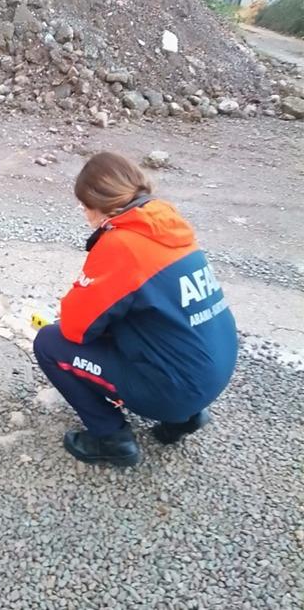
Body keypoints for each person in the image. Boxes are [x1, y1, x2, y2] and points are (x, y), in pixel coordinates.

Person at [34, 152, 238, 467]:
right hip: (215, 371)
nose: (84, 213)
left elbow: (76, 327)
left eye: (84, 206)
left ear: (97, 204)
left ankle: (111, 438)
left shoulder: (122, 245)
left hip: (176, 388)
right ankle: (185, 418)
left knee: (49, 343)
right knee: (142, 322)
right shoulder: (167, 226)